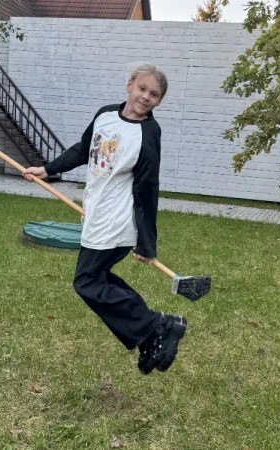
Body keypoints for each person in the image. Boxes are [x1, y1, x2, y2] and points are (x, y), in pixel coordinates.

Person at [23, 63, 187, 375]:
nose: (146, 96)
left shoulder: (148, 133)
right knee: (97, 279)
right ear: (129, 85)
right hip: (97, 214)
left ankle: (157, 325)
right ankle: (150, 337)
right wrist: (47, 169)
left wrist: (146, 242)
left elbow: (147, 188)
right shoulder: (106, 115)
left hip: (117, 220)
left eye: (154, 94)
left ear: (159, 101)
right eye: (142, 88)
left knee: (86, 281)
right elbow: (83, 150)